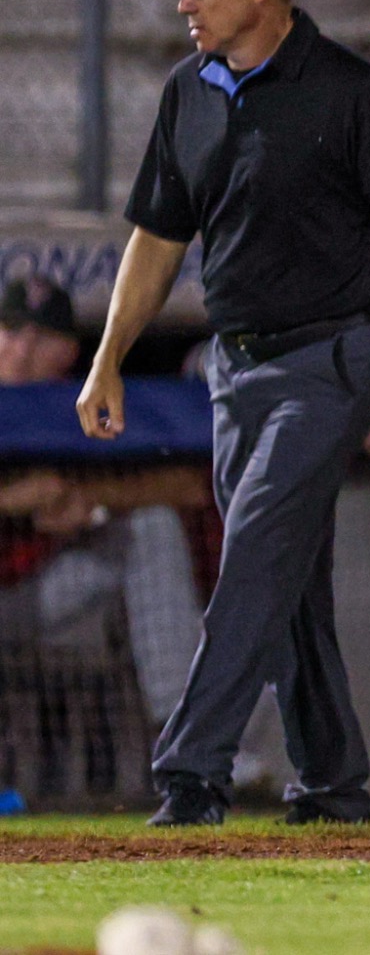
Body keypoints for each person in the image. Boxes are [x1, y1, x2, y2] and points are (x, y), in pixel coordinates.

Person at [75, 0, 370, 827]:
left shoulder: (352, 90)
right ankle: (332, 781)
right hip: (235, 368)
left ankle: (191, 770)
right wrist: (108, 356)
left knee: (252, 549)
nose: (185, 4)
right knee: (286, 576)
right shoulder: (189, 92)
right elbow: (157, 239)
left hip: (337, 355)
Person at [0, 276, 208, 743]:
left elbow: (189, 485)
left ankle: (187, 740)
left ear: (72, 352)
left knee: (153, 526)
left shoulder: (86, 400)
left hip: (35, 595)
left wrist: (85, 497)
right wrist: (15, 500)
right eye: (11, 331)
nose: (23, 347)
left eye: (42, 335)